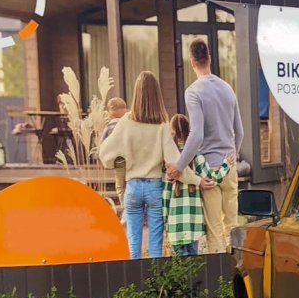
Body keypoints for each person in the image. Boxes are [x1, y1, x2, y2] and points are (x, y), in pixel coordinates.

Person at [168, 39, 243, 254]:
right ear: (209, 59)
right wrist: (233, 156)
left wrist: (180, 166)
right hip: (229, 166)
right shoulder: (228, 89)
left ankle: (220, 282)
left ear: (192, 63)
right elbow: (241, 132)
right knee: (232, 226)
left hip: (209, 170)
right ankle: (237, 276)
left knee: (215, 230)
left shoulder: (193, 92)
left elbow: (197, 134)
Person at [99, 72, 182, 259]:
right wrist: (198, 180)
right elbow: (174, 162)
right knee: (155, 245)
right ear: (157, 95)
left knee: (133, 244)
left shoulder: (125, 122)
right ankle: (154, 285)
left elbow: (105, 155)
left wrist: (120, 161)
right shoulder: (162, 124)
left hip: (133, 187)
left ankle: (134, 285)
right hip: (154, 187)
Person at [164, 114, 235, 257]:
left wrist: (166, 223)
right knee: (193, 263)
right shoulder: (196, 157)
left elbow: (165, 196)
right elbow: (213, 179)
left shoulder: (169, 159)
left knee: (179, 265)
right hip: (193, 223)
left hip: (174, 225)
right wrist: (226, 165)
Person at [102, 97, 129, 209]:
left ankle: (125, 206)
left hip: (118, 160)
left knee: (120, 185)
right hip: (130, 158)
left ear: (110, 112)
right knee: (129, 183)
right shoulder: (128, 124)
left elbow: (103, 144)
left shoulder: (109, 126)